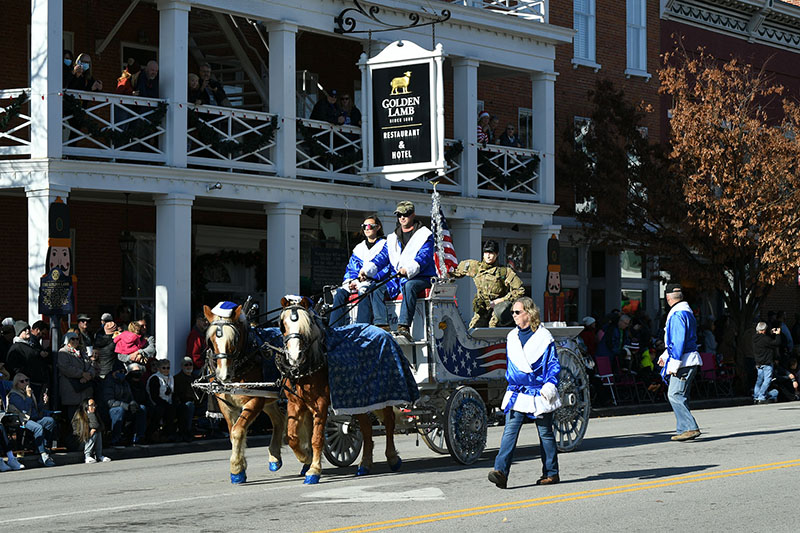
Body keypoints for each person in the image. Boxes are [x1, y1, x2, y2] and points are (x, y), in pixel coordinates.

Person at [488, 297, 560, 489]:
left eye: (517, 312)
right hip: (517, 392)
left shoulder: (544, 337)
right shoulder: (512, 336)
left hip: (539, 391)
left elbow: (553, 365)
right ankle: (500, 472)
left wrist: (550, 386)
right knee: (509, 431)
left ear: (529, 313)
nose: (514, 315)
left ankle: (551, 473)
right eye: (512, 312)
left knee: (545, 433)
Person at [360, 201, 436, 340]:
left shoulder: (425, 235)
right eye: (399, 215)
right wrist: (366, 270)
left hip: (422, 277)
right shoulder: (392, 238)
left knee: (409, 285)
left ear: (413, 215)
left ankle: (404, 326)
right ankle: (382, 325)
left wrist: (408, 269)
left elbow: (424, 257)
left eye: (405, 214)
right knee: (376, 288)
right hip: (398, 278)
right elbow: (382, 257)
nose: (402, 217)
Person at [658, 284, 702, 441]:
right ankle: (683, 429)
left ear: (668, 297)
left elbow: (677, 341)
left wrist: (673, 363)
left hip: (683, 361)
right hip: (689, 359)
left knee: (675, 394)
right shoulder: (686, 312)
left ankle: (690, 428)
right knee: (681, 395)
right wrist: (666, 356)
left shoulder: (677, 315)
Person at [328, 215, 390, 328]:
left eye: (370, 226)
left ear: (378, 227)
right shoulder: (359, 248)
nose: (367, 229)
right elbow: (351, 268)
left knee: (363, 291)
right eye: (364, 226)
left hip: (374, 282)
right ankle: (334, 328)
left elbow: (385, 266)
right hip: (357, 281)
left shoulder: (385, 245)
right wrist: (352, 281)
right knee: (339, 293)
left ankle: (362, 326)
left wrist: (369, 277)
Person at [452, 240, 524, 328]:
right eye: (486, 252)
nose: (488, 256)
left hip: (498, 310)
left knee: (492, 329)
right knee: (474, 330)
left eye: (491, 253)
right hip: (482, 310)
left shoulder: (504, 272)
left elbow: (520, 290)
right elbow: (454, 272)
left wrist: (501, 300)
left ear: (497, 254)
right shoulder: (475, 267)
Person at [6, 373, 57, 467]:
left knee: (50, 421)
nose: (26, 383)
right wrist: (29, 397)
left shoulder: (29, 392)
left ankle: (43, 447)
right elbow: (24, 409)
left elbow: (36, 409)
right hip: (23, 420)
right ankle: (43, 454)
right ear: (17, 384)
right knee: (38, 428)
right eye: (22, 381)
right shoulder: (14, 395)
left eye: (27, 380)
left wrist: (43, 402)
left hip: (34, 418)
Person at [6, 320, 51, 404]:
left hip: (36, 383)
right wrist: (26, 378)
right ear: (19, 332)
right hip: (28, 385)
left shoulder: (29, 345)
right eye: (24, 329)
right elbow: (14, 366)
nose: (27, 331)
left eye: (28, 328)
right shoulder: (16, 347)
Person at [57, 332, 97, 422]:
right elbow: (65, 368)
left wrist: (89, 375)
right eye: (72, 339)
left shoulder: (82, 352)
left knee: (87, 417)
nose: (75, 341)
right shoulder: (63, 352)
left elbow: (91, 365)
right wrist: (82, 374)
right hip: (72, 389)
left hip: (85, 389)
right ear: (67, 340)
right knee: (74, 417)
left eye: (77, 339)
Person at [103, 366, 147, 447]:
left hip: (125, 407)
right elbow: (109, 402)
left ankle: (138, 437)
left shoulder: (125, 383)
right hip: (110, 409)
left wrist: (133, 403)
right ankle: (115, 439)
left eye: (124, 372)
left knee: (142, 408)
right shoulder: (108, 382)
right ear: (114, 372)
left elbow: (130, 397)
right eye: (120, 371)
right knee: (118, 410)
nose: (122, 373)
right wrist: (125, 406)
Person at [72, 398, 111, 463]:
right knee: (94, 431)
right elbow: (77, 433)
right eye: (92, 405)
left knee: (96, 430)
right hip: (80, 442)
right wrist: (88, 434)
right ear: (86, 406)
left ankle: (99, 456)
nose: (94, 407)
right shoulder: (79, 417)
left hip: (91, 441)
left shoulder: (95, 414)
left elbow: (99, 426)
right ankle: (87, 456)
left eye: (94, 405)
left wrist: (91, 414)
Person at [147, 359, 176, 442]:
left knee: (176, 408)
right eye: (164, 368)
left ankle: (168, 434)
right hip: (155, 402)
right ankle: (152, 433)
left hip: (168, 401)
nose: (166, 370)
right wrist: (165, 404)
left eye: (168, 368)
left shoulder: (171, 377)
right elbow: (154, 396)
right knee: (161, 409)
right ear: (159, 369)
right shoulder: (155, 378)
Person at [752, 322, 781, 404]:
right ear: (764, 330)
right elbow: (776, 343)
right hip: (767, 363)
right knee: (767, 380)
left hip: (758, 362)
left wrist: (770, 333)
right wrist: (778, 334)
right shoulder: (765, 339)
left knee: (759, 381)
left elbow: (765, 341)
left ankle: (756, 396)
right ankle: (761, 396)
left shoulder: (754, 338)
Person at [173, 357, 197, 442]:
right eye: (186, 365)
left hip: (197, 402)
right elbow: (177, 394)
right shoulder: (177, 378)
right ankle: (187, 431)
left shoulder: (196, 378)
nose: (188, 366)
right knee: (189, 406)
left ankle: (215, 429)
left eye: (190, 364)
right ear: (182, 366)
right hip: (183, 403)